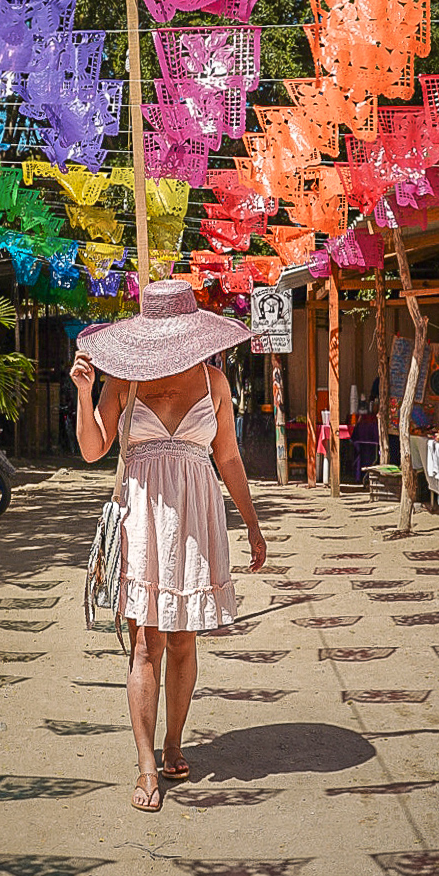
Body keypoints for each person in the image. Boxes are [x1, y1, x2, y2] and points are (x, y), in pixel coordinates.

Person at [70, 278, 267, 812]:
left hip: (197, 520)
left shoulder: (214, 380)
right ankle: (144, 765)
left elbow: (227, 457)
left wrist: (251, 521)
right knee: (144, 643)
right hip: (143, 520)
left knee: (183, 641)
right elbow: (93, 450)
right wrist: (84, 394)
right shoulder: (121, 381)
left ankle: (175, 742)